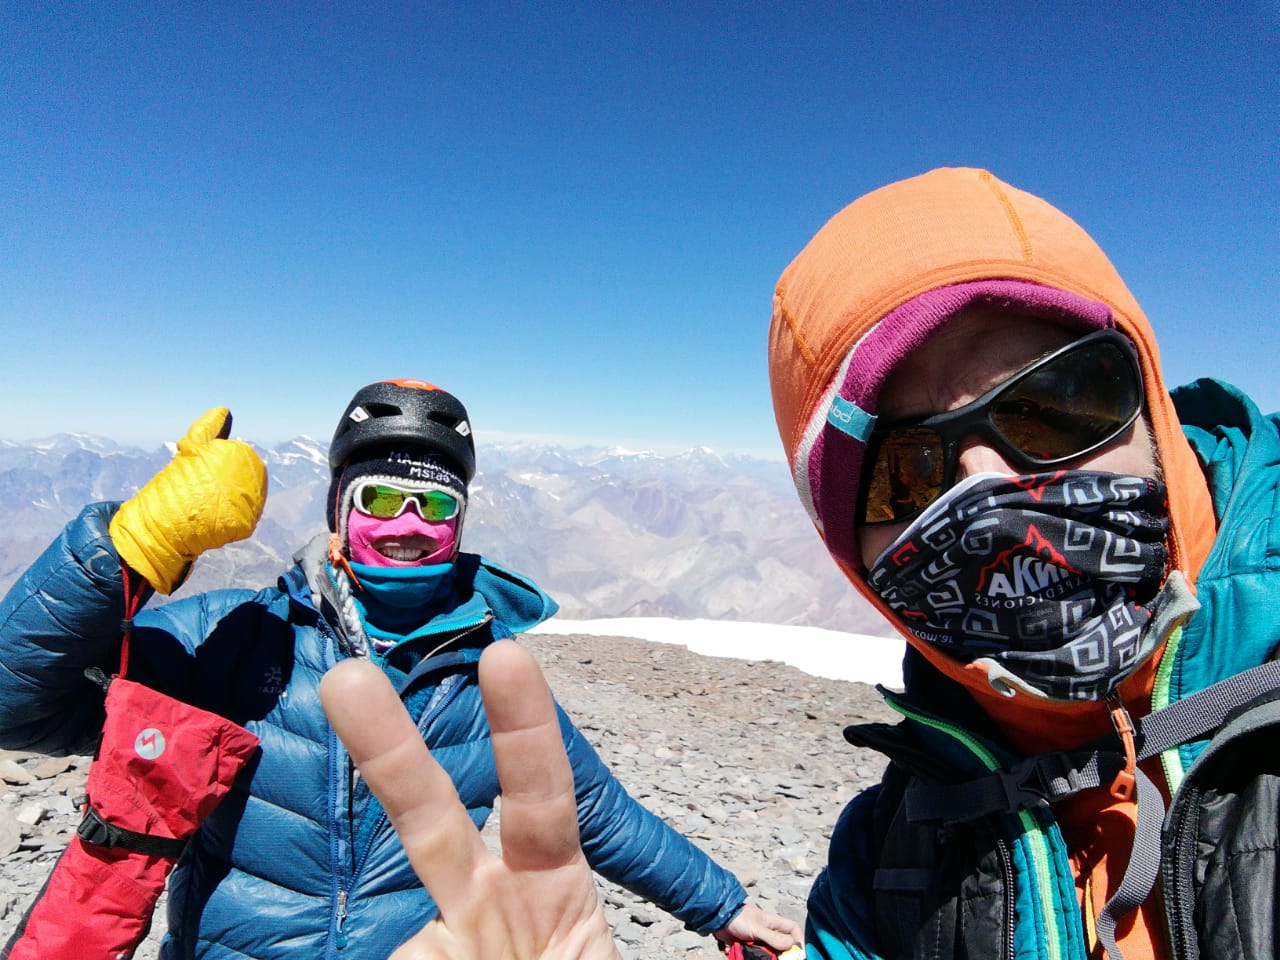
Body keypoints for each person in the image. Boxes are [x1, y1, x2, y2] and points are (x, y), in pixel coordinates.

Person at [323, 170, 1280, 960]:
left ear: (1149, 400)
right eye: (910, 469)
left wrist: (718, 906)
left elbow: (599, 807)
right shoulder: (886, 861)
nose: (988, 487)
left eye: (1059, 405)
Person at [0, 378, 800, 958]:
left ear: (461, 525)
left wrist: (722, 906)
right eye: (381, 501)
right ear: (339, 518)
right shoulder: (229, 637)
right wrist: (125, 551)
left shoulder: (491, 672)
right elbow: (18, 707)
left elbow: (593, 809)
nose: (409, 526)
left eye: (436, 505)